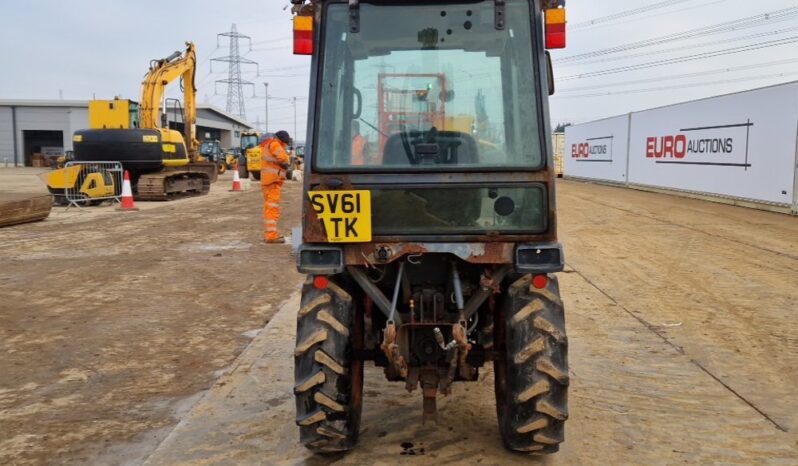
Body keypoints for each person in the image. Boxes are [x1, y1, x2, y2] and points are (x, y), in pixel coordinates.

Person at [260, 130, 291, 244]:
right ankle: (271, 236)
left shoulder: (268, 144)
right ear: (282, 140)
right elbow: (282, 157)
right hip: (272, 181)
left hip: (269, 181)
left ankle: (270, 234)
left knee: (270, 208)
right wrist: (287, 164)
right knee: (272, 209)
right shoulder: (274, 144)